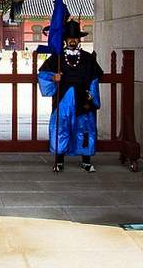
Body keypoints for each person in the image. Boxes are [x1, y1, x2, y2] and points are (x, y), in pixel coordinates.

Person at [37, 20, 104, 173]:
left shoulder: (88, 58)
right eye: (69, 38)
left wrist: (93, 100)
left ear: (79, 39)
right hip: (63, 99)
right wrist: (54, 78)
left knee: (85, 128)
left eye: (75, 38)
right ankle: (59, 159)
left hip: (83, 99)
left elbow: (94, 79)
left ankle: (86, 160)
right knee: (61, 127)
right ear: (65, 40)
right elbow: (43, 75)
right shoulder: (57, 58)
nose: (72, 40)